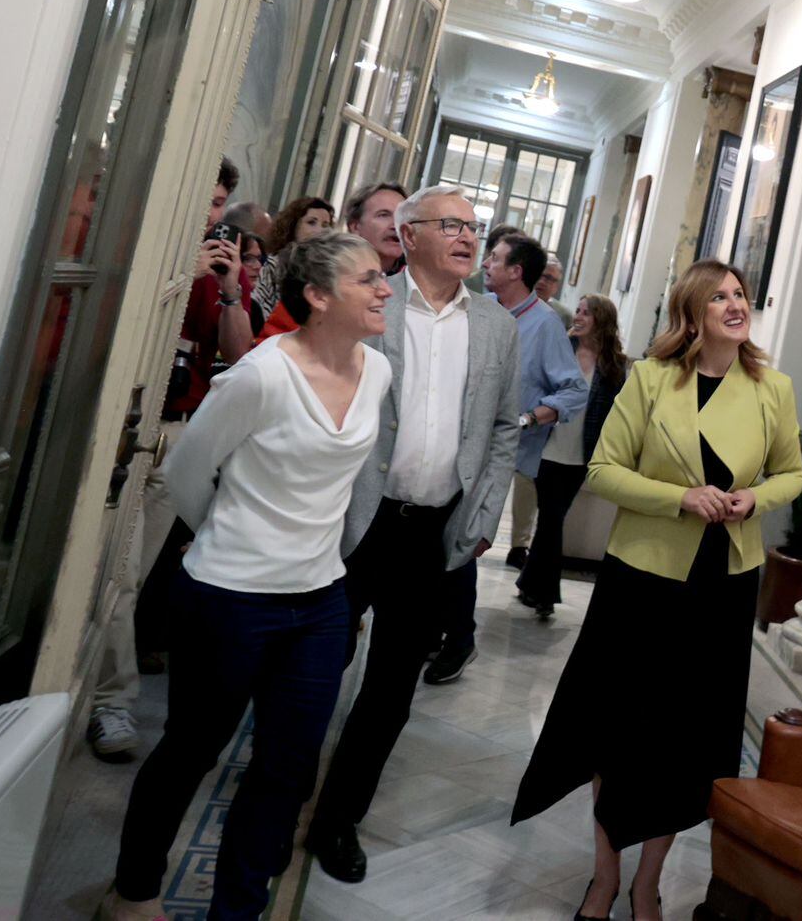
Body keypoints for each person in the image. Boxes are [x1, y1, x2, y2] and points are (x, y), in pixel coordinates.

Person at [100, 234, 393, 921]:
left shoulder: (376, 370)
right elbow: (184, 473)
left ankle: (237, 910)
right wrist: (230, 543)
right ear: (318, 297)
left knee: (286, 769)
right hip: (229, 599)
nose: (385, 289)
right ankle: (135, 891)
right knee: (192, 750)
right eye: (369, 280)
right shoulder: (260, 376)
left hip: (320, 600)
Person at [513, 260, 802, 921]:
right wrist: (680, 498)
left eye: (740, 295)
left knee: (684, 740)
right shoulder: (650, 379)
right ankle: (605, 875)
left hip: (722, 585)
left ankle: (650, 882)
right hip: (640, 579)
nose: (735, 305)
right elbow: (606, 471)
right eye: (719, 297)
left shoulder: (772, 388)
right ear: (692, 313)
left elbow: (791, 474)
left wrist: (753, 497)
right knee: (615, 727)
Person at [305, 185, 520, 886]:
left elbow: (503, 429)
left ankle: (339, 821)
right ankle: (277, 809)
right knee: (311, 673)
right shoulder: (370, 303)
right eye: (451, 225)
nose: (467, 237)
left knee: (392, 689)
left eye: (472, 227)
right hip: (353, 523)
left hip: (431, 534)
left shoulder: (495, 327)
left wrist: (483, 515)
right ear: (411, 234)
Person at [89, 157, 253, 762]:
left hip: (176, 433)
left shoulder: (216, 273)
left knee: (134, 574)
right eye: (201, 200)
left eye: (216, 204)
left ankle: (102, 696)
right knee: (120, 573)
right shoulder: (140, 248)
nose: (207, 214)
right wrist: (177, 275)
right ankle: (110, 703)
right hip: (124, 426)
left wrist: (231, 290)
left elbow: (240, 356)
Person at [429, 233, 586, 676]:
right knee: (437, 538)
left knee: (460, 541)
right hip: (450, 443)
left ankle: (457, 639)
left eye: (495, 258)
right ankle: (439, 631)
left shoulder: (545, 324)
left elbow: (574, 391)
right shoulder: (478, 310)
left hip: (494, 452)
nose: (486, 263)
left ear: (517, 271)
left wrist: (529, 419)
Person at [516, 294, 629, 616]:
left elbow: (616, 413)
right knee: (552, 517)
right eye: (577, 311)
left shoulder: (615, 365)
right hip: (547, 447)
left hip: (581, 454)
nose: (578, 317)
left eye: (585, 313)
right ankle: (546, 594)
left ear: (601, 320)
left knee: (553, 519)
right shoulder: (561, 349)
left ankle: (529, 584)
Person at [256, 182, 405, 344]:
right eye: (383, 215)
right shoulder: (319, 273)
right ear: (355, 226)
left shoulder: (412, 287)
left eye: (402, 217)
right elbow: (276, 346)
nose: (395, 225)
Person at [249, 195, 336, 329]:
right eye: (312, 222)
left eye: (325, 225)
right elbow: (258, 313)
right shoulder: (273, 265)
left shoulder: (330, 274)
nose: (320, 230)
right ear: (293, 225)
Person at [536, 255, 572, 329]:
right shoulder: (512, 304)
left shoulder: (564, 316)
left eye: (548, 278)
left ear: (556, 286)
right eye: (538, 275)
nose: (541, 281)